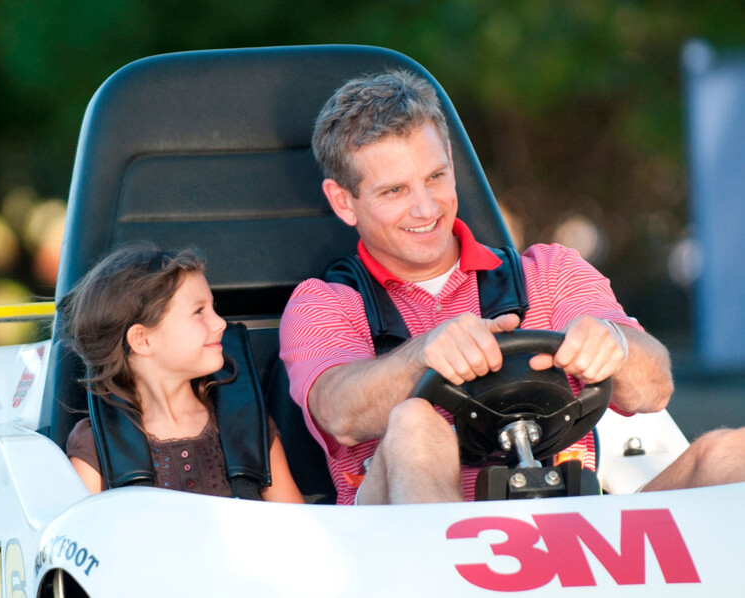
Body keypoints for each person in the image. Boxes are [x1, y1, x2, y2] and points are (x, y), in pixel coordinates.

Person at [279, 69, 745, 505]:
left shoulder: (549, 271)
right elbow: (337, 412)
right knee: (415, 422)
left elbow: (655, 389)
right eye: (395, 191)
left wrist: (616, 346)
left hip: (567, 529)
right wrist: (423, 354)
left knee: (729, 452)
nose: (426, 209)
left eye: (436, 178)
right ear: (344, 201)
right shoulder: (326, 302)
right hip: (403, 545)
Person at [62, 242, 303, 503]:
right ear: (142, 340)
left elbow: (297, 529)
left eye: (213, 308)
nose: (221, 323)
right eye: (199, 312)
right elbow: (78, 535)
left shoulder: (247, 424)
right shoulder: (97, 446)